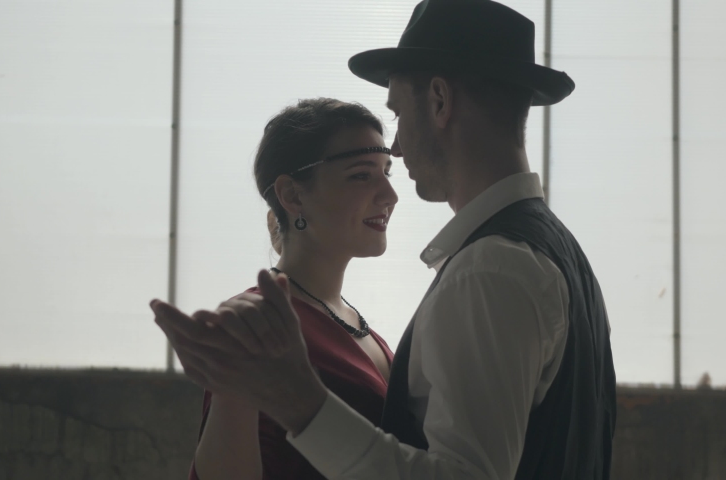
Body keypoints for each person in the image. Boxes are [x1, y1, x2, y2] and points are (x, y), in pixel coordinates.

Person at [153, 0, 617, 479]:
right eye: (360, 174)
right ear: (292, 195)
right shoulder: (556, 257)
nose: (392, 175)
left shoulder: (489, 269)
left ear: (439, 101)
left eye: (397, 113)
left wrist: (298, 401)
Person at [185, 98, 399, 480]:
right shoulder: (258, 321)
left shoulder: (354, 322)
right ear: (294, 196)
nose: (390, 195)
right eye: (361, 175)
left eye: (387, 173)